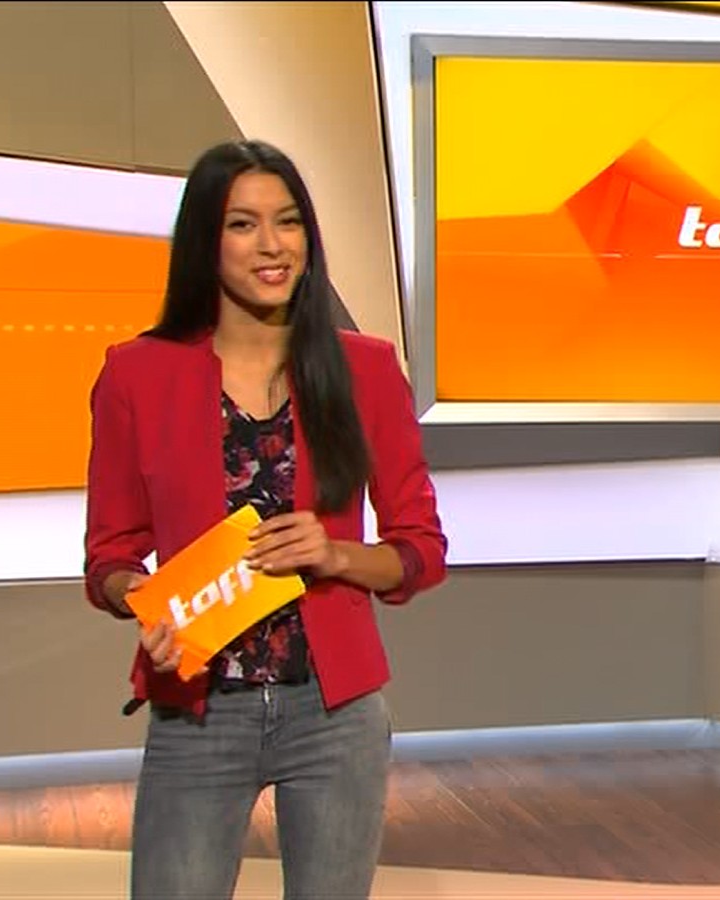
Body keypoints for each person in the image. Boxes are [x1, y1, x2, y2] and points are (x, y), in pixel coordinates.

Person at [83, 139, 448, 900]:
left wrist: (336, 554)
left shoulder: (366, 369)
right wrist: (141, 599)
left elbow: (420, 549)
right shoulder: (136, 375)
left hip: (335, 712)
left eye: (288, 221)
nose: (273, 245)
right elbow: (109, 556)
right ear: (204, 241)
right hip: (199, 709)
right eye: (243, 224)